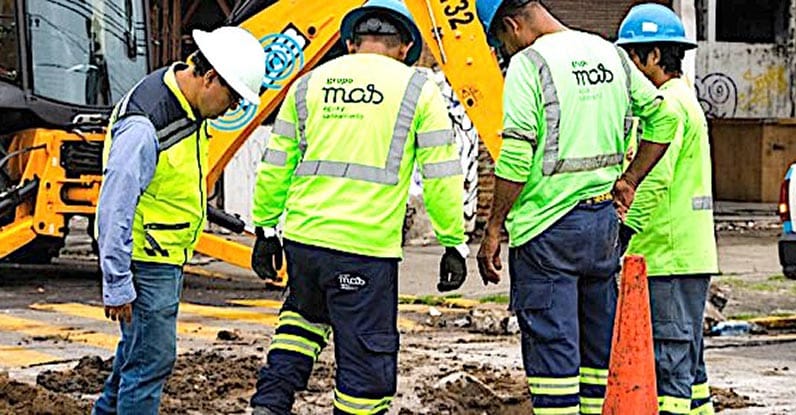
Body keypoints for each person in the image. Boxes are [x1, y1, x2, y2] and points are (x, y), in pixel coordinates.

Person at [247, 1, 469, 414]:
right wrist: (452, 242)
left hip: (304, 241)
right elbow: (441, 175)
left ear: (351, 42)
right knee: (366, 366)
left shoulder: (308, 84)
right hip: (363, 250)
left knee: (301, 323)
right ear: (405, 47)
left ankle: (269, 405)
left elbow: (276, 163)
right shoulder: (418, 89)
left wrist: (264, 230)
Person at [473, 0, 681, 413]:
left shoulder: (528, 65)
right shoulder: (612, 55)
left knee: (553, 355)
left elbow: (515, 157)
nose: (505, 51)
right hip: (601, 225)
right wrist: (629, 180)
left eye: (501, 41)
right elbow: (665, 121)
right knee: (594, 354)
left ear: (512, 25)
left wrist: (493, 228)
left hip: (546, 231)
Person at [93, 26, 265, 414]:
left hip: (164, 254)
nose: (232, 109)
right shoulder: (146, 126)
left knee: (133, 360)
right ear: (209, 78)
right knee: (149, 364)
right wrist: (118, 283)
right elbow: (115, 205)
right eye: (233, 98)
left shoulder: (186, 103)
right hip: (146, 262)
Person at [617, 4, 719, 415]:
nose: (628, 67)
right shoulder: (684, 97)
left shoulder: (667, 106)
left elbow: (654, 178)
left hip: (667, 257)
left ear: (654, 56)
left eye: (631, 57)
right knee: (690, 367)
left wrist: (623, 234)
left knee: (670, 366)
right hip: (683, 255)